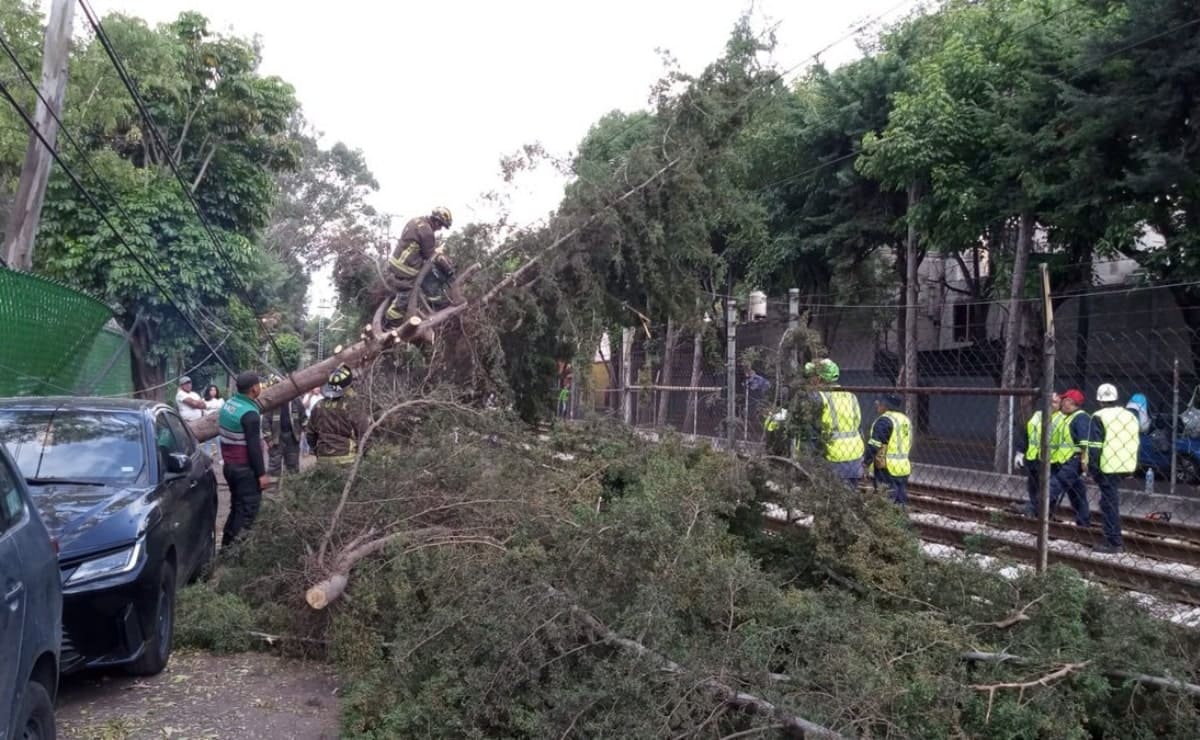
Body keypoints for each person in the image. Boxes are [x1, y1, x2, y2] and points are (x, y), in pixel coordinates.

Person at [218, 372, 270, 547]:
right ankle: (236, 553)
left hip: (230, 467)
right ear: (254, 388)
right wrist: (261, 474)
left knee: (236, 508)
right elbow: (254, 448)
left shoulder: (229, 405)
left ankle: (226, 548)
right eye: (259, 384)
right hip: (245, 470)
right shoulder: (249, 414)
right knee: (248, 512)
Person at [1088, 383, 1138, 553]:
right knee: (1108, 500)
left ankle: (1113, 541)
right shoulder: (1129, 416)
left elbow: (1094, 446)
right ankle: (1112, 537)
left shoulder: (1098, 416)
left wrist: (1092, 469)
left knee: (1109, 503)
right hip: (1126, 464)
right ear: (1116, 398)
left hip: (1107, 466)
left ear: (1099, 400)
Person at [385, 207, 455, 326]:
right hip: (406, 266)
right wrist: (447, 267)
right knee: (429, 275)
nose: (440, 229)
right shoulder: (427, 231)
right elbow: (430, 256)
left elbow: (419, 247)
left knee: (426, 270)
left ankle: (428, 300)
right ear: (437, 221)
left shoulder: (416, 221)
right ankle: (393, 320)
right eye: (441, 225)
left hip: (395, 261)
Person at [810, 359, 865, 487]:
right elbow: (859, 428)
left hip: (831, 457)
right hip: (854, 455)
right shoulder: (851, 396)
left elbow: (812, 433)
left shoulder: (817, 398)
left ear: (818, 378)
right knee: (850, 495)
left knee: (830, 498)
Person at [307, 364, 369, 465]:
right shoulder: (353, 406)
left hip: (323, 459)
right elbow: (364, 434)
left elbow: (310, 434)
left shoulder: (318, 405)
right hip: (347, 460)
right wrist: (364, 457)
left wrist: (317, 450)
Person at [1047, 388, 1091, 527]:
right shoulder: (1069, 417)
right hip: (1066, 460)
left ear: (1070, 402)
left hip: (1074, 460)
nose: (1061, 404)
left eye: (1064, 400)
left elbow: (1084, 442)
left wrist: (1084, 461)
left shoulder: (1080, 417)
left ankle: (1033, 508)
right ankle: (1083, 523)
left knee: (1055, 486)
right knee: (1076, 493)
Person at [1014, 392, 1063, 516]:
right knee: (1033, 487)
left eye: (1055, 402)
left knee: (1048, 490)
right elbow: (1026, 434)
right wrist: (1019, 452)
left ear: (1060, 404)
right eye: (1050, 401)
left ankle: (1043, 514)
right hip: (1033, 459)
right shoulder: (1037, 415)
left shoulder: (1062, 419)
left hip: (1051, 460)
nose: (1052, 404)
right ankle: (1035, 513)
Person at [863, 394, 911, 505]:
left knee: (886, 500)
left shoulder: (884, 421)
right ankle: (900, 521)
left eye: (879, 403)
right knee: (900, 500)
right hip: (903, 467)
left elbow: (874, 444)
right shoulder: (904, 419)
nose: (877, 405)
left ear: (886, 406)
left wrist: (866, 462)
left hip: (886, 468)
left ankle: (887, 521)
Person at [202, 384, 224, 462]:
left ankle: (221, 459)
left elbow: (222, 411)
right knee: (207, 443)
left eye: (215, 390)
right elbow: (204, 412)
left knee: (219, 442)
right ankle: (207, 459)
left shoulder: (220, 400)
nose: (213, 391)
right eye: (211, 390)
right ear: (208, 391)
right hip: (207, 424)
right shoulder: (203, 400)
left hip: (218, 424)